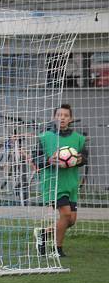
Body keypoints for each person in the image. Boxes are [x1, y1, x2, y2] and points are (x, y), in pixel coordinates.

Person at [32, 104, 87, 257]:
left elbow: (84, 158)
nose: (62, 117)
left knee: (71, 220)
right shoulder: (45, 137)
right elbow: (36, 159)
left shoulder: (79, 138)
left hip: (71, 183)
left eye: (65, 115)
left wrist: (74, 160)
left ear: (71, 119)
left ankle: (43, 233)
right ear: (54, 117)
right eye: (59, 115)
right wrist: (49, 161)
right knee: (66, 214)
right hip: (53, 182)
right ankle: (57, 250)